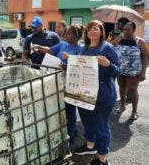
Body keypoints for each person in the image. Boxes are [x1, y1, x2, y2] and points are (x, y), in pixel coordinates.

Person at [72, 20, 120, 165]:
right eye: (90, 29)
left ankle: (102, 159)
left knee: (101, 126)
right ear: (86, 32)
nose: (92, 31)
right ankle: (89, 146)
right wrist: (70, 62)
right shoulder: (84, 49)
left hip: (103, 95)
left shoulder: (107, 48)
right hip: (85, 94)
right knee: (87, 122)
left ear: (101, 32)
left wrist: (109, 64)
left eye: (96, 29)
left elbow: (119, 70)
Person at [33, 24, 84, 143]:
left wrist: (68, 65)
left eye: (69, 34)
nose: (66, 35)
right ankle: (63, 130)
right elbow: (51, 50)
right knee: (59, 106)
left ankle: (70, 134)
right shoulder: (62, 44)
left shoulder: (81, 48)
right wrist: (39, 47)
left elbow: (82, 65)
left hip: (71, 82)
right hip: (58, 79)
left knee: (69, 108)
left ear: (76, 36)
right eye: (66, 33)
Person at [114, 21, 148, 120]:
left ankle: (134, 111)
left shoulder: (139, 41)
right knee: (121, 88)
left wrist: (143, 72)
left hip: (134, 72)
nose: (125, 31)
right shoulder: (120, 39)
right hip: (121, 70)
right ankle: (122, 106)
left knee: (133, 90)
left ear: (133, 30)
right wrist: (111, 37)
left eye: (128, 29)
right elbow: (110, 46)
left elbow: (145, 57)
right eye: (124, 29)